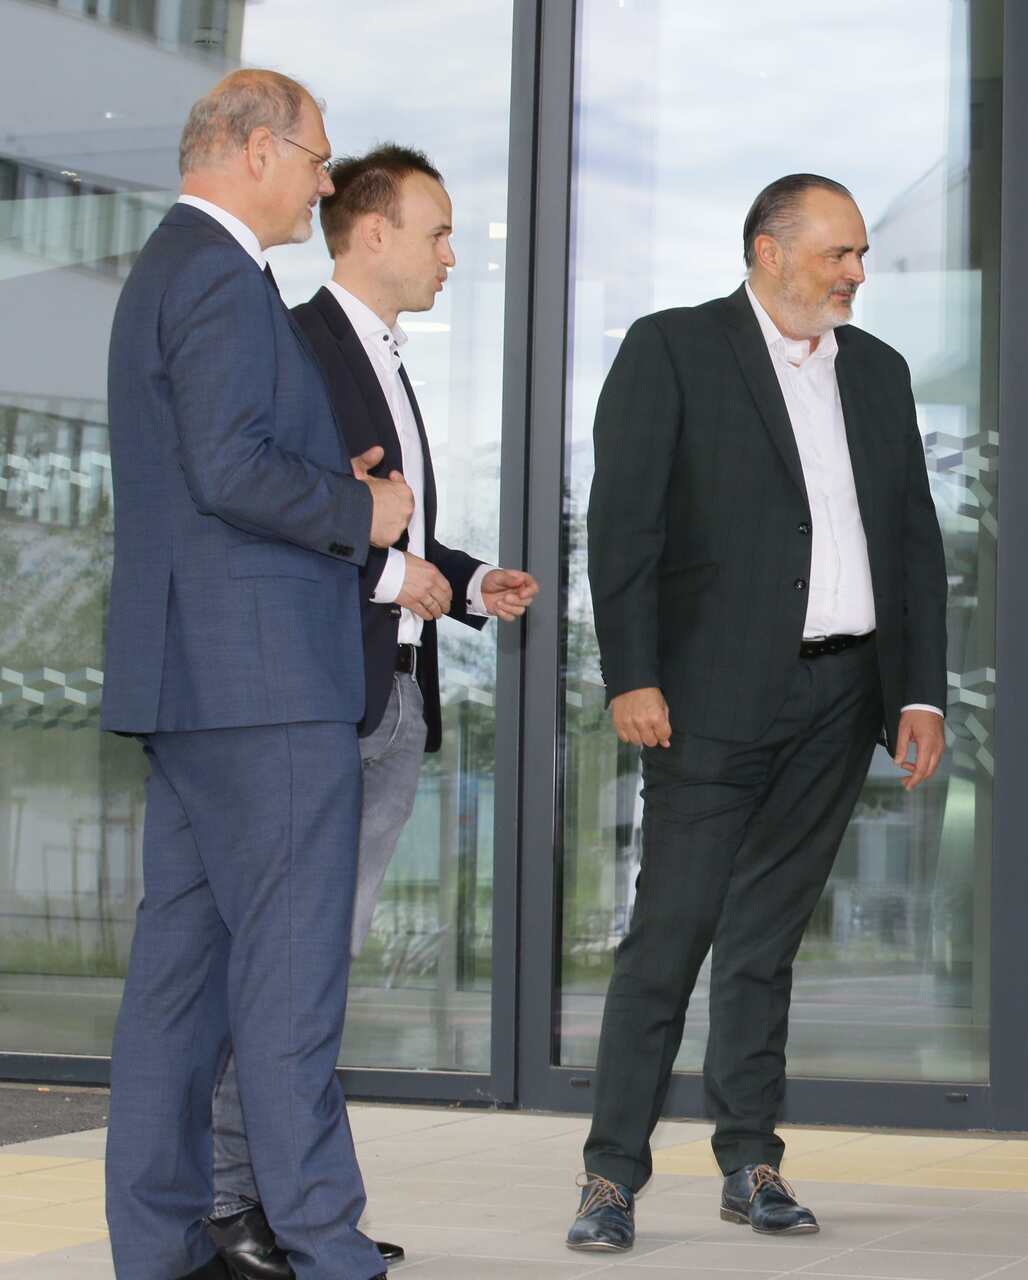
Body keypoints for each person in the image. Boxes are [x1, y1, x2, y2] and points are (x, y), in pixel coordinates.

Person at [566, 174, 949, 1250]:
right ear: (770, 251)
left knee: (767, 939)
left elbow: (912, 540)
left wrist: (919, 688)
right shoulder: (672, 348)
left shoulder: (877, 372)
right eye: (840, 253)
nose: (856, 274)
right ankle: (610, 1172)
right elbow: (624, 525)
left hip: (843, 693)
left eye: (861, 254)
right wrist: (629, 673)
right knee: (672, 930)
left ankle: (752, 1158)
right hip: (706, 699)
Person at [198, 144, 540, 1280]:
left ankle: (287, 1203)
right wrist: (401, 578)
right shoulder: (301, 347)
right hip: (319, 697)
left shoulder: (382, 356)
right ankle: (240, 1204)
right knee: (291, 967)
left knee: (318, 968)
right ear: (372, 233)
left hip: (389, 694)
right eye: (438, 232)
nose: (453, 254)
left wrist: (464, 575)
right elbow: (288, 516)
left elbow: (382, 522)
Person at [101, 70, 409, 1280]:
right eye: (319, 157)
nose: (328, 182)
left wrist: (330, 473)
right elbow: (231, 471)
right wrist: (363, 508)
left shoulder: (171, 270)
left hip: (191, 686)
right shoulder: (226, 279)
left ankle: (161, 1247)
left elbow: (210, 467)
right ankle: (332, 1251)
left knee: (176, 993)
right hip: (266, 686)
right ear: (254, 149)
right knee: (289, 990)